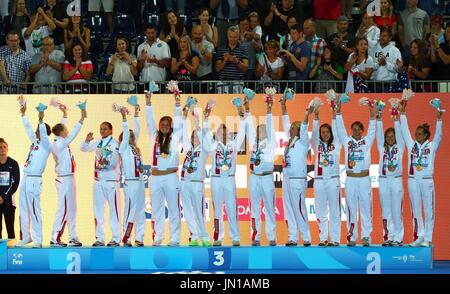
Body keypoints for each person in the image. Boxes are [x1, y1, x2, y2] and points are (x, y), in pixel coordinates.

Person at [202, 99, 246, 247]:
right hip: (216, 179)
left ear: (228, 133)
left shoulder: (233, 144)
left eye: (225, 129)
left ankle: (235, 237)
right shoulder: (213, 145)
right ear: (217, 133)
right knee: (217, 210)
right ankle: (218, 237)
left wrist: (241, 115)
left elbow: (243, 131)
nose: (223, 131)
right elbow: (205, 132)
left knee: (232, 208)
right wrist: (207, 117)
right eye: (220, 129)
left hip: (229, 179)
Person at [399, 101, 443, 247]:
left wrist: (439, 119)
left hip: (426, 180)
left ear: (426, 135)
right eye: (416, 134)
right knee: (416, 209)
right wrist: (403, 114)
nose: (416, 135)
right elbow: (404, 131)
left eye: (419, 134)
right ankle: (419, 235)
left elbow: (439, 135)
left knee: (429, 209)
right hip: (413, 180)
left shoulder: (432, 146)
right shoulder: (411, 145)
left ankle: (428, 238)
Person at [335, 98, 376, 246]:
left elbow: (373, 127)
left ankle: (366, 236)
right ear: (351, 130)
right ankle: (352, 237)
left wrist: (371, 111)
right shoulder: (347, 141)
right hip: (351, 179)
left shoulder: (367, 140)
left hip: (364, 178)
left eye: (359, 129)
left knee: (366, 208)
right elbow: (340, 128)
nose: (357, 131)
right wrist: (338, 111)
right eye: (355, 129)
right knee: (351, 208)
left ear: (362, 131)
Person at [145, 89, 183, 246]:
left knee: (174, 209)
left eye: (168, 125)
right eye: (162, 124)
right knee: (157, 210)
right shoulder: (155, 136)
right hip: (155, 178)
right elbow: (149, 121)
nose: (165, 126)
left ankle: (174, 239)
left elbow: (179, 120)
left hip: (171, 178)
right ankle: (158, 238)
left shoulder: (175, 138)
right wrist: (148, 103)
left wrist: (178, 102)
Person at [80, 121, 121, 247]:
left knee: (114, 211)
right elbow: (83, 148)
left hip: (111, 182)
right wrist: (86, 140)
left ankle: (115, 238)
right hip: (98, 181)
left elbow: (114, 163)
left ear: (111, 130)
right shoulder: (98, 142)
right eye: (101, 129)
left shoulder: (115, 144)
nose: (102, 131)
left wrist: (102, 163)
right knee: (98, 211)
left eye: (105, 129)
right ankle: (100, 238)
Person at [50, 106, 86, 247]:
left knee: (72, 209)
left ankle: (72, 237)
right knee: (63, 209)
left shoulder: (60, 139)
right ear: (61, 133)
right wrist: (81, 119)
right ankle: (54, 238)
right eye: (66, 129)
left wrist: (64, 114)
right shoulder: (59, 143)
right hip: (63, 179)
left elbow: (62, 127)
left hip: (70, 178)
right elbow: (73, 134)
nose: (68, 130)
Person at [17, 104, 52, 248]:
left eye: (39, 130)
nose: (36, 132)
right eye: (37, 130)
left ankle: (38, 239)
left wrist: (41, 119)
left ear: (44, 133)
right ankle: (26, 236)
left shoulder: (46, 145)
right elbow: (28, 129)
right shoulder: (35, 142)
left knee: (34, 208)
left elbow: (42, 132)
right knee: (24, 207)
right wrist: (24, 114)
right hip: (25, 176)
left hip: (35, 179)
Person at [280, 95, 312, 247]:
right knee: (289, 210)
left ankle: (306, 237)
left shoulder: (303, 142)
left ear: (299, 130)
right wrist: (283, 106)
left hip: (298, 180)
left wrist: (307, 114)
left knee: (299, 208)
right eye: (291, 127)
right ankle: (293, 237)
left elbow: (305, 128)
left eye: (293, 127)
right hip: (287, 180)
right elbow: (285, 121)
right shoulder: (291, 141)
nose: (290, 128)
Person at [245, 94, 277, 246]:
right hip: (254, 177)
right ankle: (256, 236)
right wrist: (247, 109)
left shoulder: (270, 142)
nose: (259, 131)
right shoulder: (253, 142)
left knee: (270, 207)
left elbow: (269, 124)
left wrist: (269, 109)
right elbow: (249, 125)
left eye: (263, 129)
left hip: (266, 177)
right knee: (254, 208)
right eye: (258, 129)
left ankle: (271, 237)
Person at [179, 103, 211, 247]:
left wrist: (198, 119)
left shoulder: (204, 148)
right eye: (192, 136)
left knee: (198, 211)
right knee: (187, 210)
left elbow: (202, 132)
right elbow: (184, 132)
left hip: (197, 182)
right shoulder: (188, 149)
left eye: (196, 135)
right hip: (184, 181)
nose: (193, 137)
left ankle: (204, 236)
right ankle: (193, 236)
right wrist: (185, 117)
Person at [311, 106, 342, 246]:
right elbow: (313, 135)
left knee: (335, 211)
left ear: (331, 133)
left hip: (333, 180)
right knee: (320, 211)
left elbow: (337, 129)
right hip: (319, 181)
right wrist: (316, 117)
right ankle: (323, 238)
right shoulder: (316, 145)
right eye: (322, 132)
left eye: (327, 132)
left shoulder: (337, 144)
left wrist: (335, 113)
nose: (325, 134)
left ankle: (335, 239)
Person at [375, 107, 404, 247]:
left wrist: (396, 119)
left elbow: (399, 132)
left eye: (392, 136)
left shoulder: (401, 147)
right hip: (384, 180)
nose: (390, 138)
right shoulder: (382, 147)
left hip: (397, 179)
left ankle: (398, 237)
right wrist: (379, 117)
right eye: (388, 137)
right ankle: (388, 236)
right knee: (386, 210)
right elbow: (378, 134)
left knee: (397, 209)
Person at [117, 104, 146, 247]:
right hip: (130, 182)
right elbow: (127, 132)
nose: (132, 136)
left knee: (141, 210)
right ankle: (126, 237)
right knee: (129, 209)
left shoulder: (135, 147)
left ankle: (139, 237)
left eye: (132, 135)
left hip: (140, 181)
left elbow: (138, 129)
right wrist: (124, 116)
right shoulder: (123, 148)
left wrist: (136, 113)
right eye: (129, 135)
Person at [214, 26, 248, 93]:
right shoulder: (221, 49)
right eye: (231, 37)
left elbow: (245, 68)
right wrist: (225, 60)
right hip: (223, 83)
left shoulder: (243, 49)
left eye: (235, 37)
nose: (233, 39)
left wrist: (236, 61)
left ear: (238, 36)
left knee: (237, 103)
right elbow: (217, 69)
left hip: (238, 83)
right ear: (227, 36)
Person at [0, 138, 20, 242]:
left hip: (9, 202)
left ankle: (11, 253)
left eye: (4, 147)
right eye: (0, 147)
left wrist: (3, 196)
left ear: (7, 149)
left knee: (10, 228)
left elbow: (15, 183)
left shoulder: (14, 163)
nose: (2, 149)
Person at [282, 23, 311, 91]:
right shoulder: (292, 45)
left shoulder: (306, 46)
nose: (292, 36)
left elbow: (302, 67)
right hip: (291, 79)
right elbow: (290, 62)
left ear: (300, 33)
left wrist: (291, 55)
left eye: (294, 33)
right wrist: (284, 58)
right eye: (291, 33)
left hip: (300, 82)